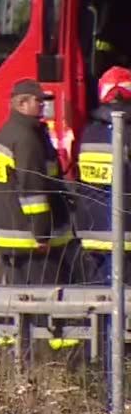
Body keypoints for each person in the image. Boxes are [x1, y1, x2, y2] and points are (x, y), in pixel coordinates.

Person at [0, 78, 79, 284]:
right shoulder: (27, 138)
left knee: (21, 302)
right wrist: (42, 234)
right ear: (21, 104)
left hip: (12, 232)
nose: (44, 105)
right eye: (39, 101)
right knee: (43, 302)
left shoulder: (9, 131)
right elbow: (32, 188)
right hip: (30, 239)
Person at [74, 66, 131, 284]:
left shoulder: (90, 131)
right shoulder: (127, 131)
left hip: (93, 233)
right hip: (125, 235)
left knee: (100, 302)